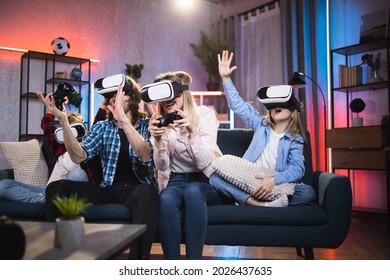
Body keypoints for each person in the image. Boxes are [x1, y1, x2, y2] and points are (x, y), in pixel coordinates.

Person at [36, 75, 159, 260]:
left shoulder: (147, 125)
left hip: (137, 190)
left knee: (148, 192)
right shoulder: (103, 127)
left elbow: (146, 154)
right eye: (110, 96)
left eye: (119, 93)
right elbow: (79, 155)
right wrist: (62, 119)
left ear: (132, 97)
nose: (113, 99)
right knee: (57, 187)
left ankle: (137, 264)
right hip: (108, 190)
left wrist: (123, 121)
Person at [209, 50, 315, 207]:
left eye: (282, 104)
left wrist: (273, 181)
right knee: (214, 178)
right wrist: (225, 78)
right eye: (272, 105)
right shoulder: (261, 125)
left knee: (308, 192)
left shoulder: (295, 139)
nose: (276, 107)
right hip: (248, 178)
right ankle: (254, 203)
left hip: (275, 183)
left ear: (293, 112)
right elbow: (238, 106)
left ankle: (270, 200)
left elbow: (297, 169)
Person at [147, 71, 222, 260]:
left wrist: (191, 132)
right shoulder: (162, 122)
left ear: (183, 93)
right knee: (165, 197)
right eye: (162, 98)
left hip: (206, 181)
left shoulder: (204, 115)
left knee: (194, 191)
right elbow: (162, 167)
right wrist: (157, 140)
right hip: (177, 181)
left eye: (171, 95)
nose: (166, 101)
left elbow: (204, 163)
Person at [0, 112, 89, 203]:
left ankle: (51, 200)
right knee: (4, 185)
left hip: (67, 192)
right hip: (47, 190)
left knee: (79, 174)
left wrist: (103, 108)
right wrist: (55, 110)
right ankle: (45, 200)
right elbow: (46, 125)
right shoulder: (59, 146)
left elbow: (99, 128)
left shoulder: (88, 150)